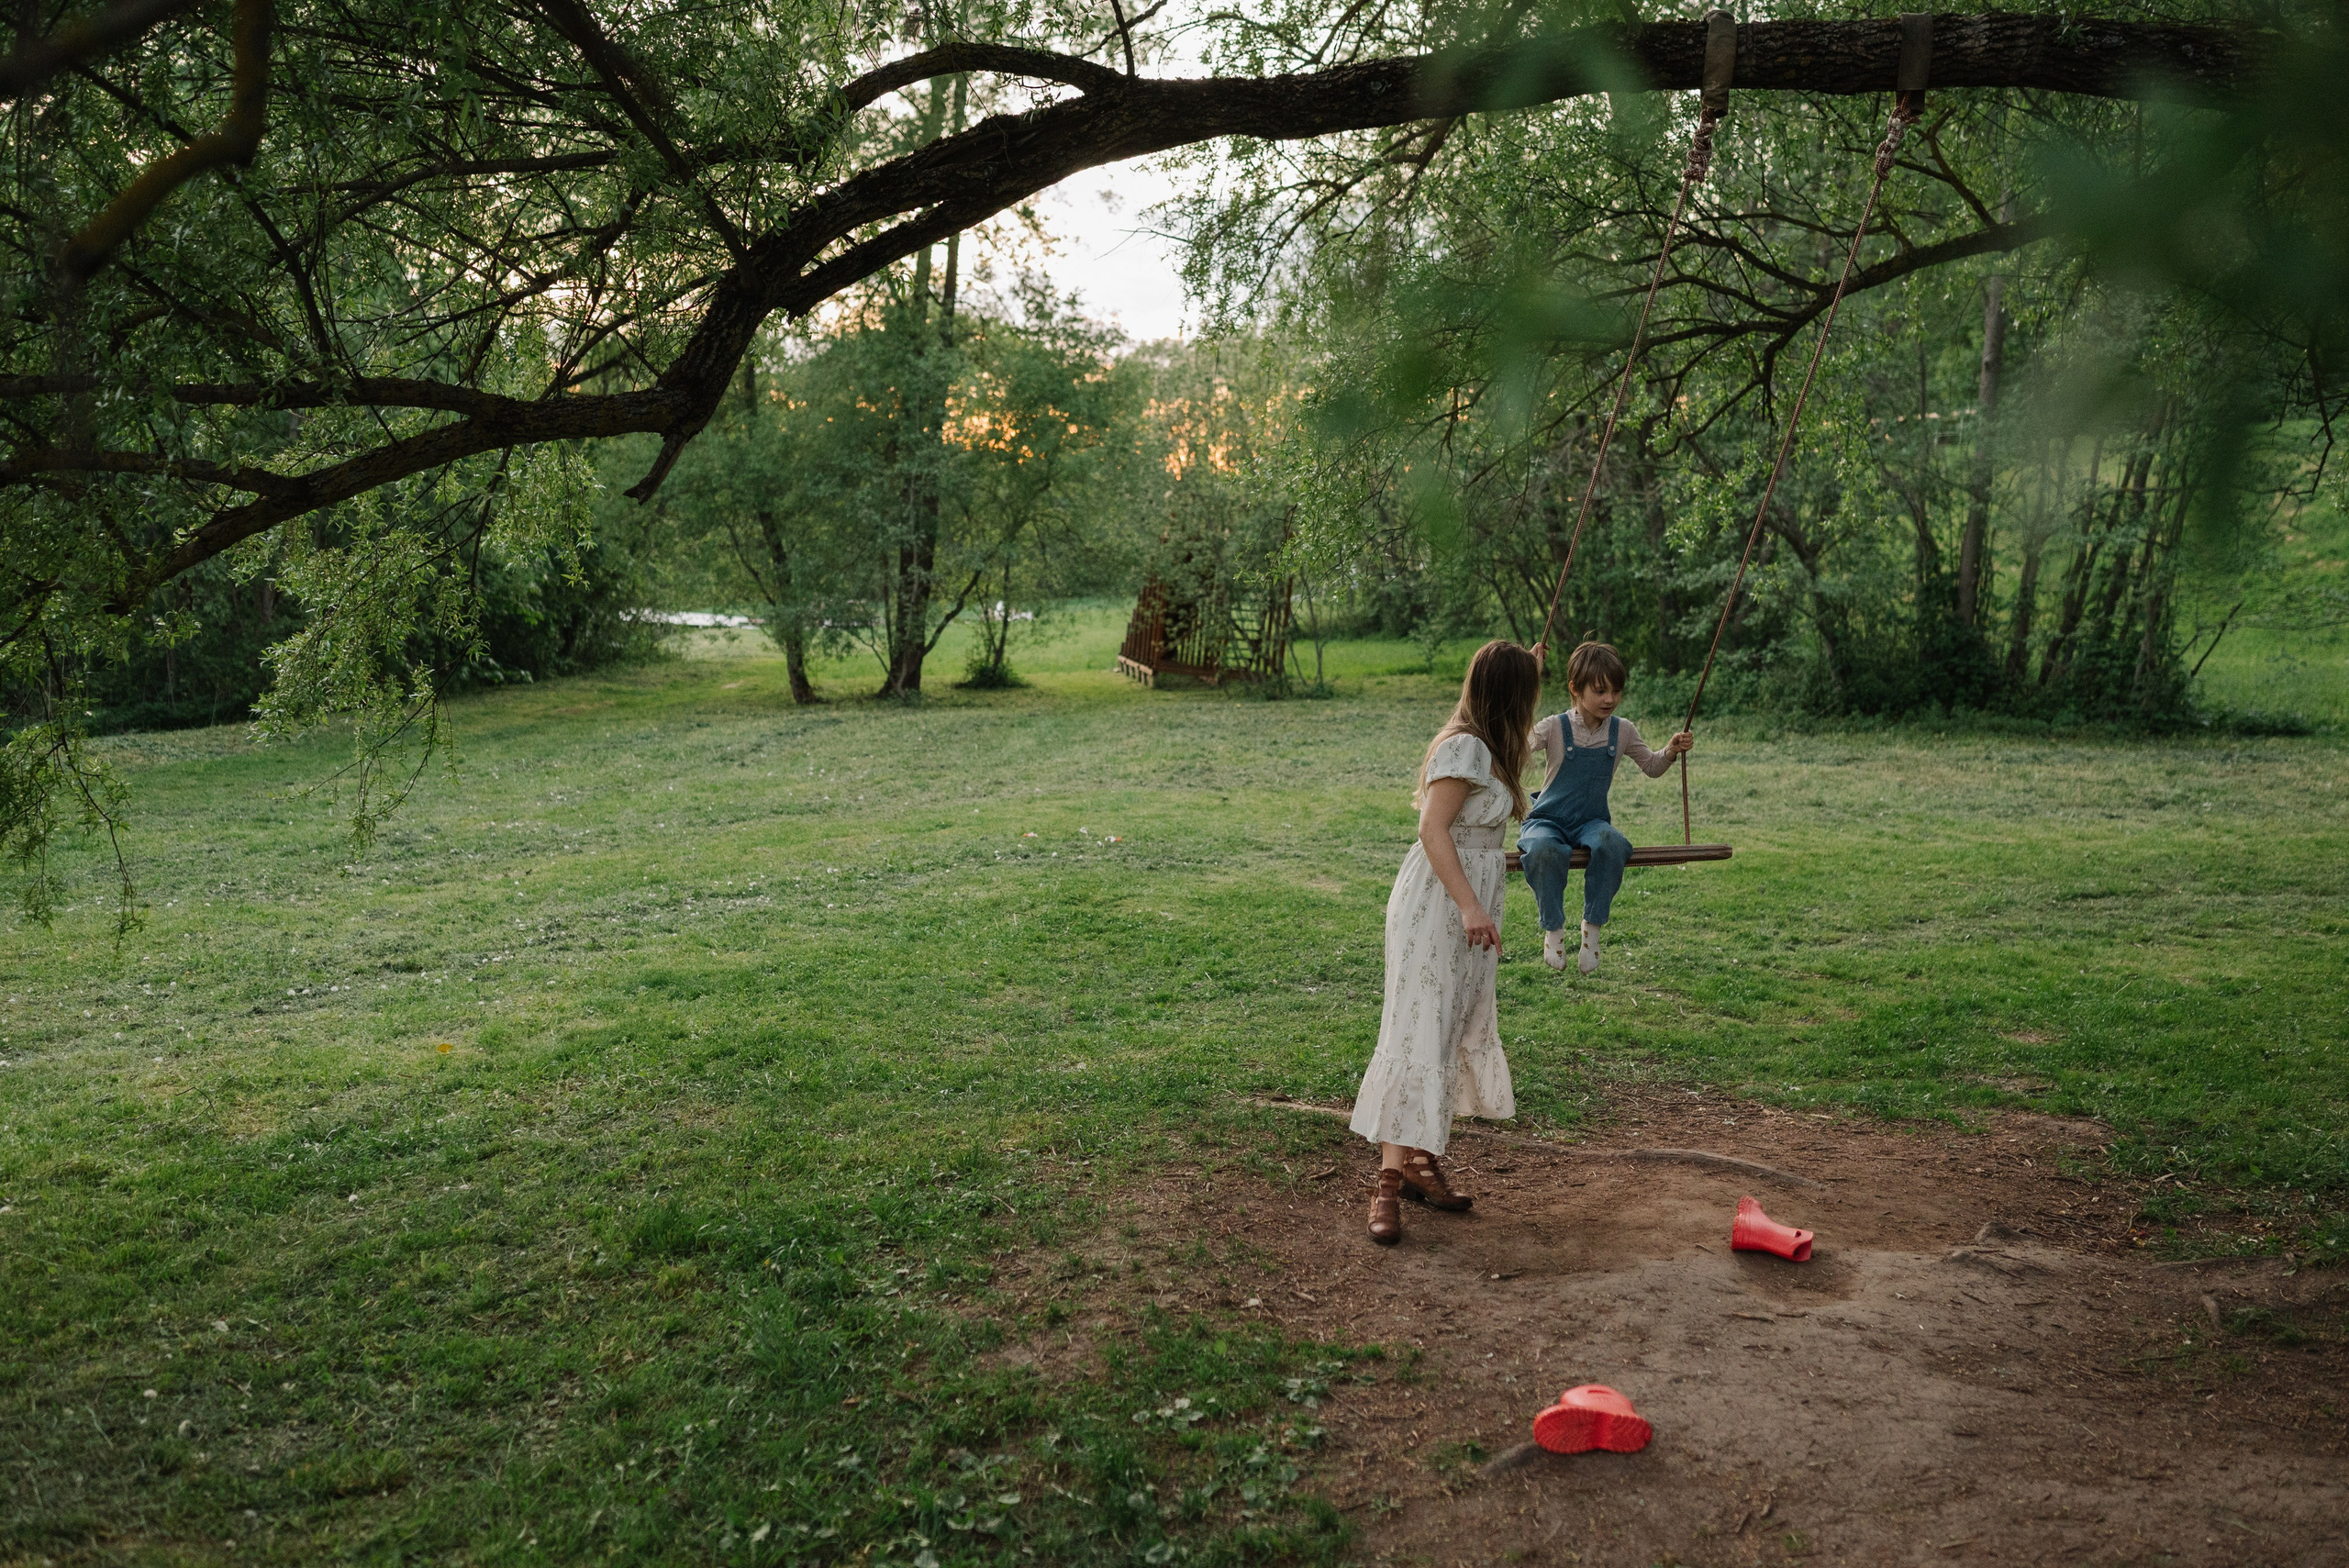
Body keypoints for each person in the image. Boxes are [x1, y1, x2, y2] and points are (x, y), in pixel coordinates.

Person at [1350, 639, 1543, 1246]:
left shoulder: (1494, 748)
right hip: (1440, 903)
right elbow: (1432, 829)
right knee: (1418, 1029)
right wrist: (1468, 904)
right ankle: (1386, 1186)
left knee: (1451, 1023)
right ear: (1508, 696)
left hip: (1468, 906)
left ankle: (1416, 1160)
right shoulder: (1464, 746)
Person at [1519, 640, 1693, 976]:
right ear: (1575, 688)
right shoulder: (1555, 727)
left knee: (1613, 844)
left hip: (1591, 821)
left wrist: (1671, 750)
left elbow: (1653, 766)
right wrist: (1529, 681)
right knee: (1543, 850)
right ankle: (1553, 929)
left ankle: (1591, 930)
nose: (1610, 699)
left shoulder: (1622, 730)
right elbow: (1517, 745)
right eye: (1600, 691)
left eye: (1616, 691)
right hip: (1548, 819)